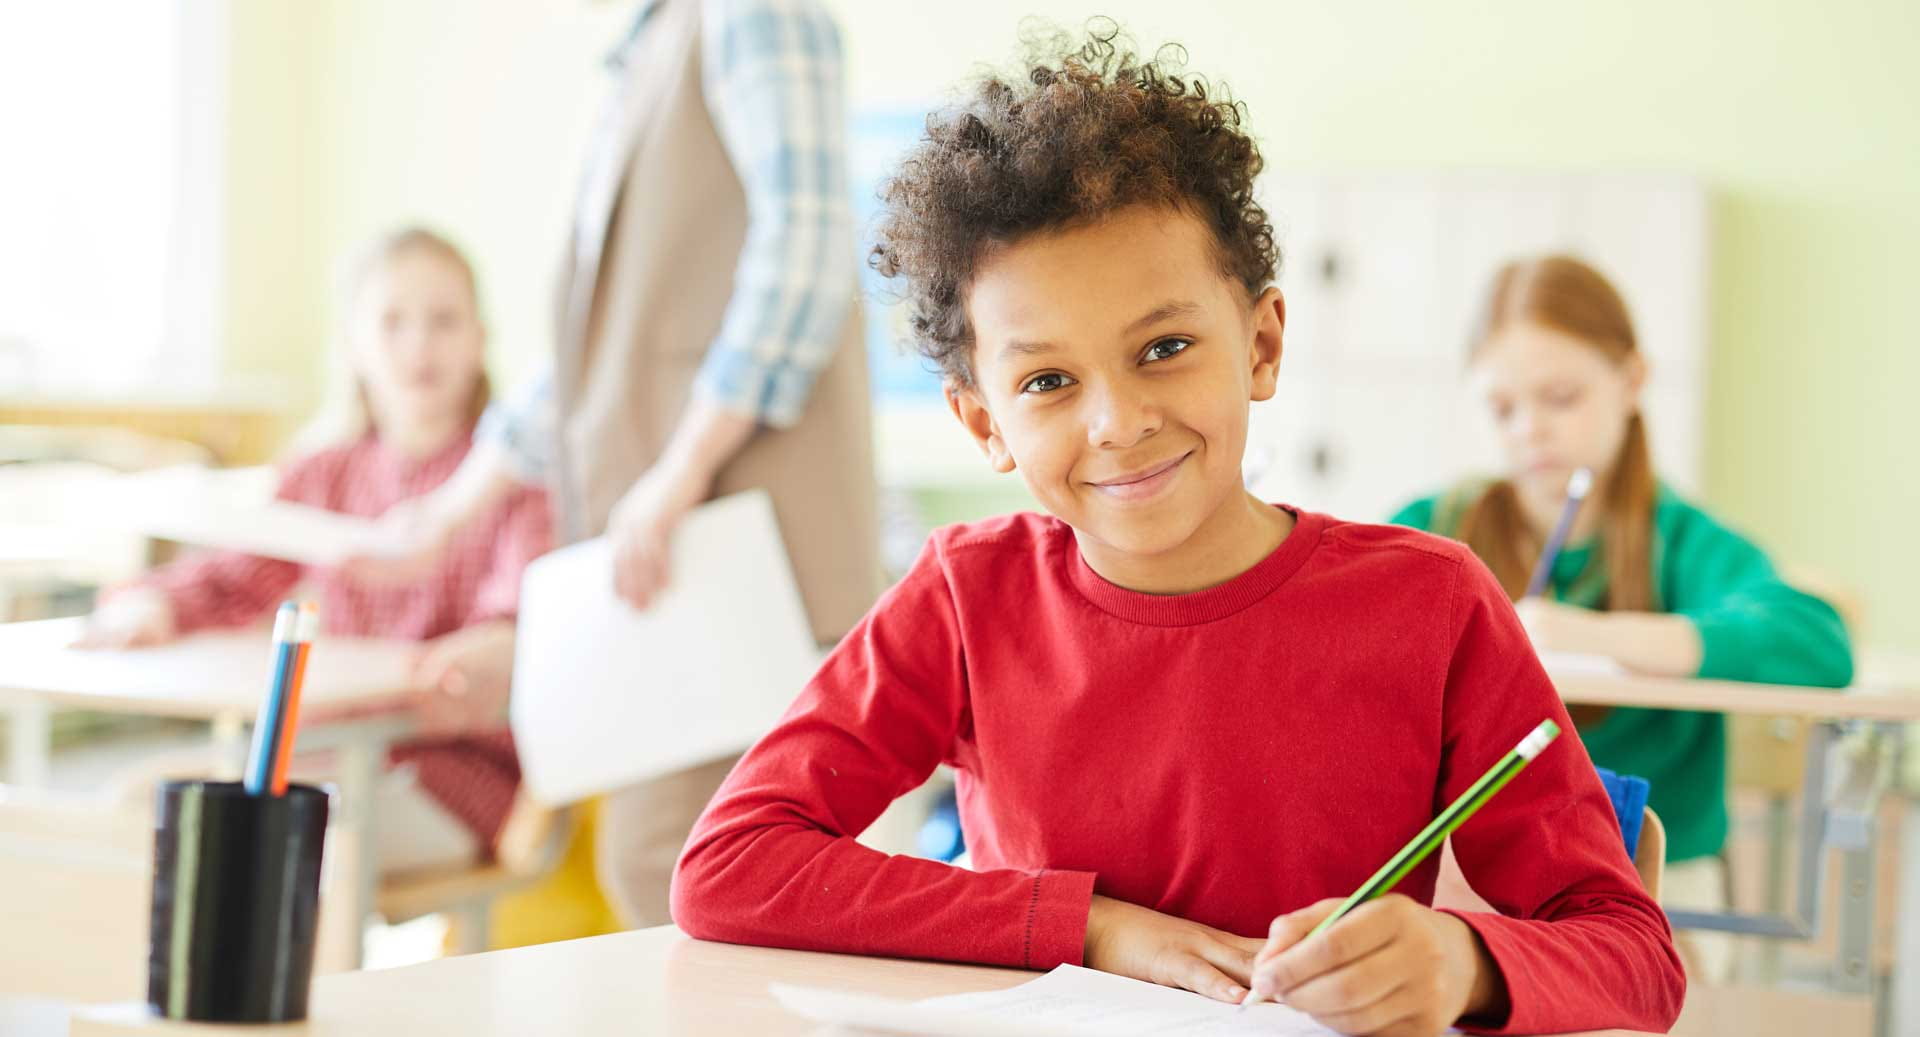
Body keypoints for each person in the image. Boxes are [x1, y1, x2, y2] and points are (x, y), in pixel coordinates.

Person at [669, 27, 1685, 1037]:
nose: (1117, 420)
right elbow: (731, 861)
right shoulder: (966, 595)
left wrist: (1465, 963)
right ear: (985, 422)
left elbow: (1635, 955)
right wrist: (1092, 927)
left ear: (1262, 342)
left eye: (1164, 346)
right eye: (1047, 381)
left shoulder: (1433, 603)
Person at [345, 0, 880, 926]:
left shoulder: (752, 14)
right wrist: (446, 515)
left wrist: (681, 466)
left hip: (736, 550)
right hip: (665, 560)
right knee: (661, 873)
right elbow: (589, 361)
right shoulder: (642, 54)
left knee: (715, 882)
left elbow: (807, 249)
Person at [1389, 253, 1853, 981]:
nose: (1530, 430)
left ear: (1631, 380)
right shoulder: (1437, 528)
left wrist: (1593, 636)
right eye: (1502, 407)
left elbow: (1816, 638)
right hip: (1475, 878)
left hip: (1661, 892)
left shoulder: (1683, 542)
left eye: (1562, 396)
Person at [84, 227, 551, 873]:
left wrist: (497, 650)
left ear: (479, 338)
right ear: (354, 344)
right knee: (133, 810)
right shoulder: (323, 474)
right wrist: (150, 605)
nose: (420, 344)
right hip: (319, 757)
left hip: (451, 776)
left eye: (444, 320)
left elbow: (523, 621)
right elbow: (230, 573)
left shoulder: (515, 484)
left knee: (280, 853)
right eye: (393, 321)